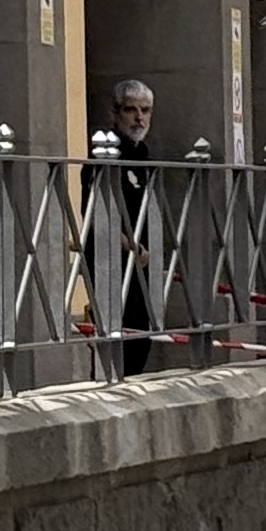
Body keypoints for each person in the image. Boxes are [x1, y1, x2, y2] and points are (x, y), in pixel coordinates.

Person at [101, 79, 160, 375]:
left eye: (145, 111)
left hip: (142, 265)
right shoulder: (105, 156)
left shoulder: (143, 155)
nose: (139, 118)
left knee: (142, 337)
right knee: (123, 336)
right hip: (112, 263)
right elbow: (96, 212)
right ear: (115, 113)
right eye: (131, 110)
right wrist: (127, 243)